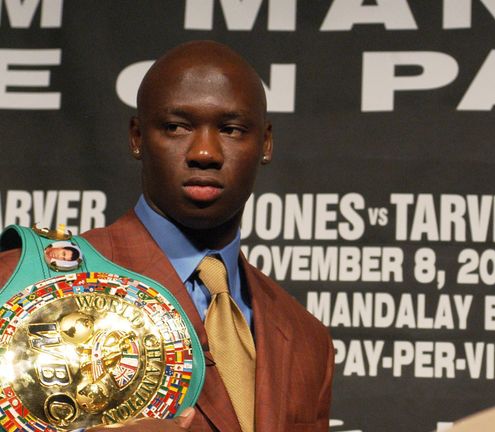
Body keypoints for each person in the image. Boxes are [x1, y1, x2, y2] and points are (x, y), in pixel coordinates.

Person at [0, 41, 334, 431]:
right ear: (138, 137)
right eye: (176, 127)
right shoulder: (24, 284)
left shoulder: (306, 338)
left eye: (231, 129)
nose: (205, 153)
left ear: (265, 143)